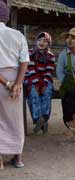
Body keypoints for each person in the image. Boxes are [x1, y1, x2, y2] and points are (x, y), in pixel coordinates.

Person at [0, 1, 29, 169]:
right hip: (17, 77)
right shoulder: (17, 35)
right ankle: (18, 159)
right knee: (15, 119)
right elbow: (24, 61)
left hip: (3, 80)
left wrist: (8, 83)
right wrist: (17, 84)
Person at [24, 32, 55, 134]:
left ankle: (44, 117)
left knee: (47, 92)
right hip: (32, 78)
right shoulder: (30, 53)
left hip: (45, 79)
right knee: (33, 93)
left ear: (49, 43)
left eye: (45, 41)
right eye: (39, 40)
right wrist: (37, 84)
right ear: (36, 41)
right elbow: (31, 69)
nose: (41, 43)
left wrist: (44, 84)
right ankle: (38, 119)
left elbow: (48, 71)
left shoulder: (50, 56)